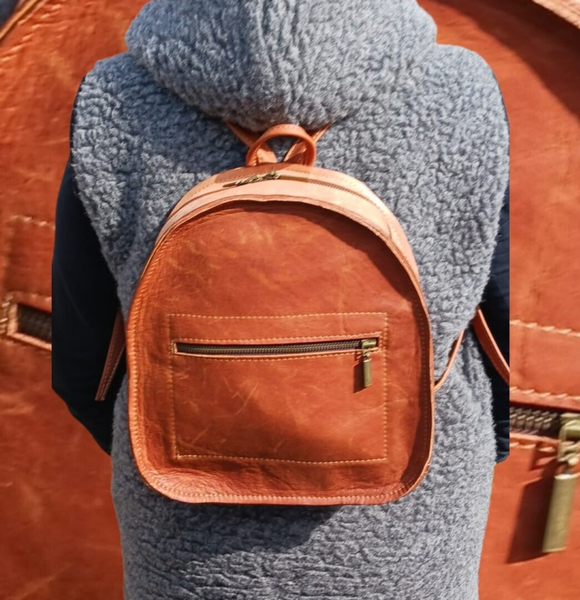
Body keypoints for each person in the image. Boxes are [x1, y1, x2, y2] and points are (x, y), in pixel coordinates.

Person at [52, 0, 509, 598]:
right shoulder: (463, 86)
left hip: (185, 528)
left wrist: (177, 431)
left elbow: (81, 364)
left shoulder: (113, 96)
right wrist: (472, 445)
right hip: (414, 521)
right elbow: (496, 324)